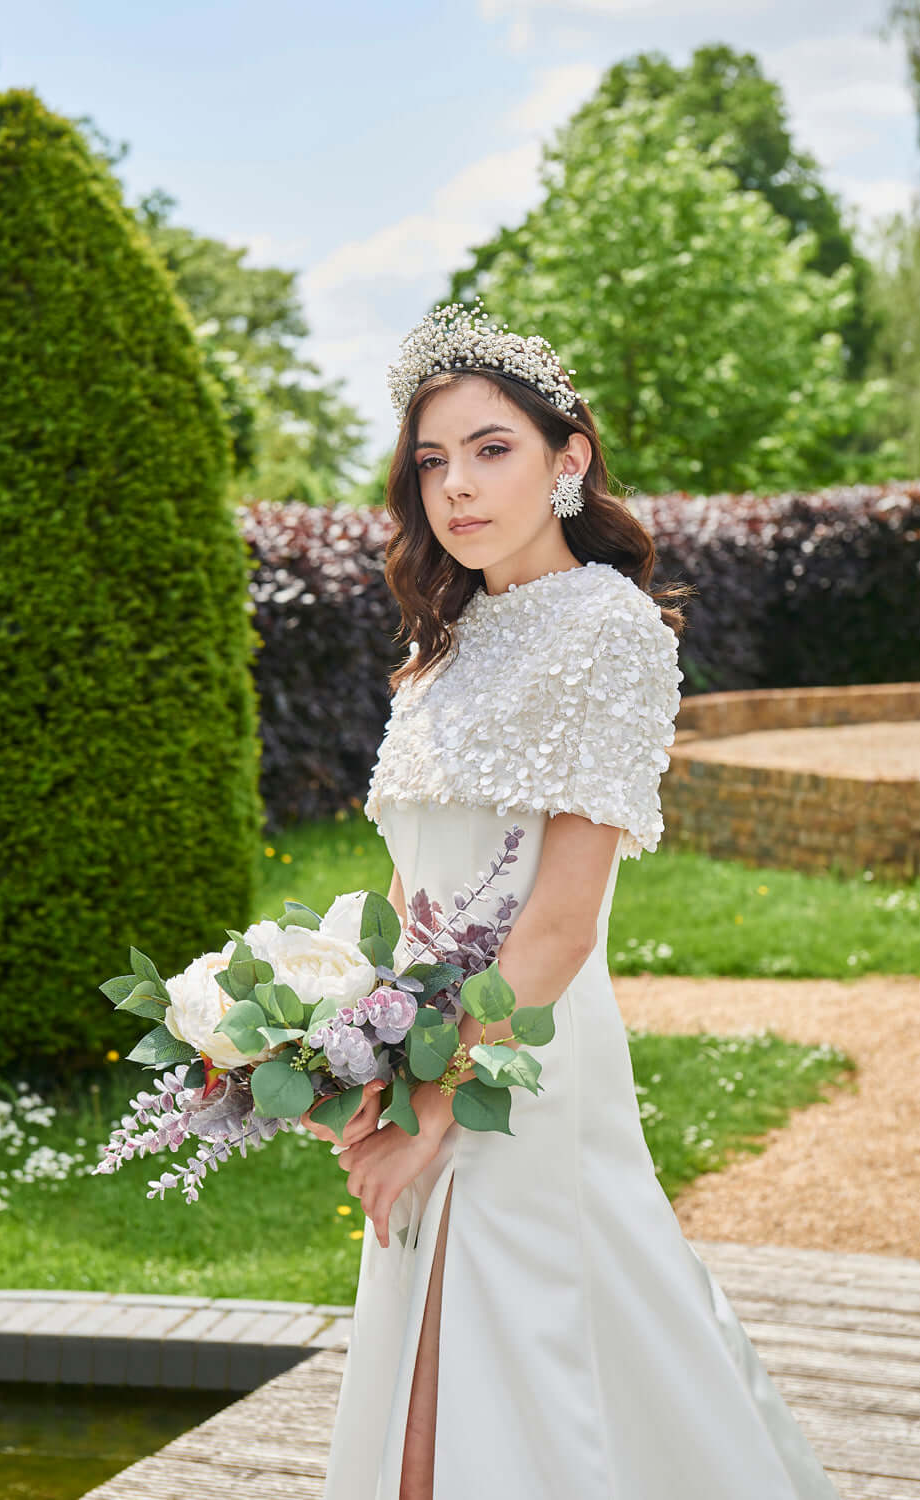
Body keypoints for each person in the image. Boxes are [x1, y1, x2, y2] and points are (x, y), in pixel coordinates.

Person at [301, 301, 840, 1500]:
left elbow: (555, 923)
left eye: (491, 448)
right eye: (432, 461)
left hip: (521, 1054)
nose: (456, 486)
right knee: (425, 1383)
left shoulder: (611, 629)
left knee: (503, 1371)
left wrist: (438, 1097)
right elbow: (406, 892)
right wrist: (353, 1055)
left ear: (568, 459)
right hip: (427, 1045)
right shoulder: (440, 644)